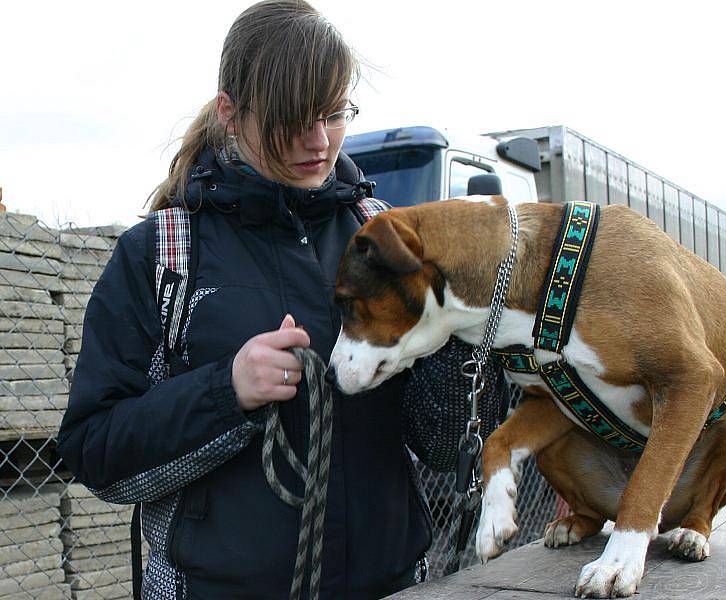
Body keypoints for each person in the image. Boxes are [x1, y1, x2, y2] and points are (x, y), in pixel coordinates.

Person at [57, 2, 507, 599]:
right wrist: (226, 391)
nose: (318, 142)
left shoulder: (390, 242)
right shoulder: (161, 253)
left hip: (390, 584)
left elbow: (445, 444)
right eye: (292, 120)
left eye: (333, 114)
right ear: (230, 113)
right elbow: (96, 456)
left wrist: (458, 339)